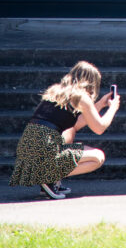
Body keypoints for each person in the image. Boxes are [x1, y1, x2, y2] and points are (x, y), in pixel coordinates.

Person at [9, 60, 120, 199]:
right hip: (45, 149)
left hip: (29, 149)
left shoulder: (56, 91)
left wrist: (101, 104)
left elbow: (76, 124)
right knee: (98, 157)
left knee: (70, 132)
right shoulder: (82, 97)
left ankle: (50, 181)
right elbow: (99, 128)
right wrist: (113, 108)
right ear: (91, 82)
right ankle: (48, 176)